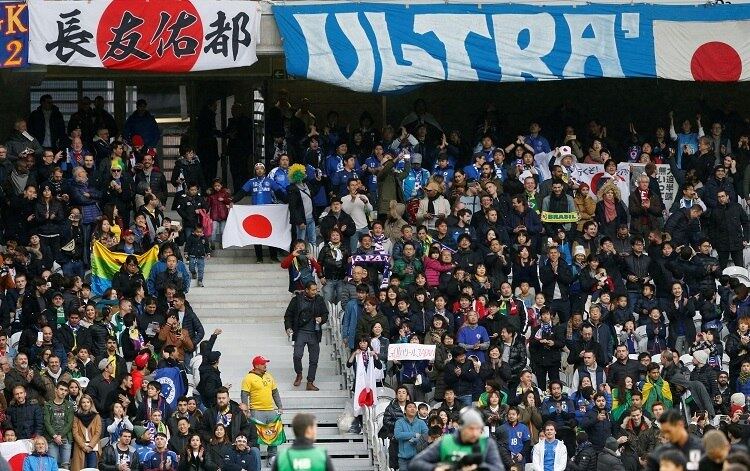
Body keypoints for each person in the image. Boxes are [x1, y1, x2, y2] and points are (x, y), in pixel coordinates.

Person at [409, 406, 503, 471]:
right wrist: (436, 468)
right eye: (470, 428)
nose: (475, 433)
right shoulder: (446, 441)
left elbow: (499, 468)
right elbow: (415, 463)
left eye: (478, 428)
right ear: (461, 427)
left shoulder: (487, 443)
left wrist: (477, 467)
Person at [284, 281, 329, 391]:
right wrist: (288, 328)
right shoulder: (297, 300)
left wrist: (321, 319)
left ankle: (310, 381)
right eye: (313, 290)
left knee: (314, 359)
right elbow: (288, 315)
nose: (315, 292)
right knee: (297, 355)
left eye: (316, 290)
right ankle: (299, 373)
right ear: (306, 290)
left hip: (314, 332)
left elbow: (325, 314)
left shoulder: (319, 300)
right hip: (300, 332)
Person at [241, 355, 282, 465]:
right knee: (256, 435)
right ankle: (256, 456)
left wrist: (280, 406)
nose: (265, 365)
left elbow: (275, 392)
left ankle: (272, 456)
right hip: (256, 410)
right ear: (256, 365)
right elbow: (244, 395)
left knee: (274, 433)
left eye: (265, 363)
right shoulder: (248, 378)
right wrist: (246, 410)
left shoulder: (269, 376)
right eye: (263, 363)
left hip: (270, 410)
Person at [43, 382, 74, 469]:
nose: (63, 392)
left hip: (65, 438)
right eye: (61, 389)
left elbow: (70, 423)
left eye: (65, 390)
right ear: (56, 390)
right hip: (51, 439)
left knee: (65, 465)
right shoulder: (48, 405)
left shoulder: (69, 405)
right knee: (53, 465)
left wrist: (60, 436)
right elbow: (46, 422)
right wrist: (55, 436)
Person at [71, 394, 102, 470]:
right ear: (80, 404)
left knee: (92, 468)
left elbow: (98, 433)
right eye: (83, 402)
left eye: (88, 402)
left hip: (93, 447)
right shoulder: (76, 416)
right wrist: (84, 446)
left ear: (91, 403)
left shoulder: (96, 416)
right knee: (79, 468)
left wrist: (90, 446)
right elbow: (75, 433)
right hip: (80, 446)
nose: (85, 404)